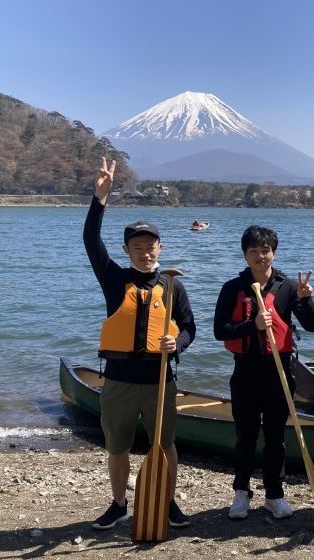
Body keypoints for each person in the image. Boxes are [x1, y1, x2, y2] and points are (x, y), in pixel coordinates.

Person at [84, 157, 196, 530]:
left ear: (160, 248)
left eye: (151, 245)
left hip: (160, 381)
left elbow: (191, 329)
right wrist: (100, 199)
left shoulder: (172, 285)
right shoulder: (114, 280)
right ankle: (118, 504)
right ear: (127, 249)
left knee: (164, 446)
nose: (145, 251)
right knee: (117, 447)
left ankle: (165, 500)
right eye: (137, 246)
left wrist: (175, 344)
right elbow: (90, 241)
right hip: (118, 380)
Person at [213, 225, 314, 520]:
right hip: (245, 370)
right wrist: (253, 326)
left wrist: (306, 299)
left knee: (275, 437)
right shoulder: (232, 288)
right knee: (245, 435)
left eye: (265, 250)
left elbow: (311, 325)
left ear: (274, 252)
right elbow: (219, 330)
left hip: (280, 371)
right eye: (254, 251)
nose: (261, 256)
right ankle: (241, 492)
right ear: (245, 254)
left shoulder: (287, 287)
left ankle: (275, 494)